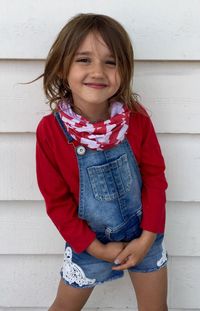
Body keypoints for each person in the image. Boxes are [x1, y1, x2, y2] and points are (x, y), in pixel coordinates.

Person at [35, 13, 168, 311]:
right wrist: (97, 249)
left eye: (111, 62)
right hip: (89, 244)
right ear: (62, 66)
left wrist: (148, 237)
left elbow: (155, 178)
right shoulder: (51, 132)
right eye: (84, 59)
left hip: (145, 234)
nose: (98, 71)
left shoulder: (137, 119)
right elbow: (57, 203)